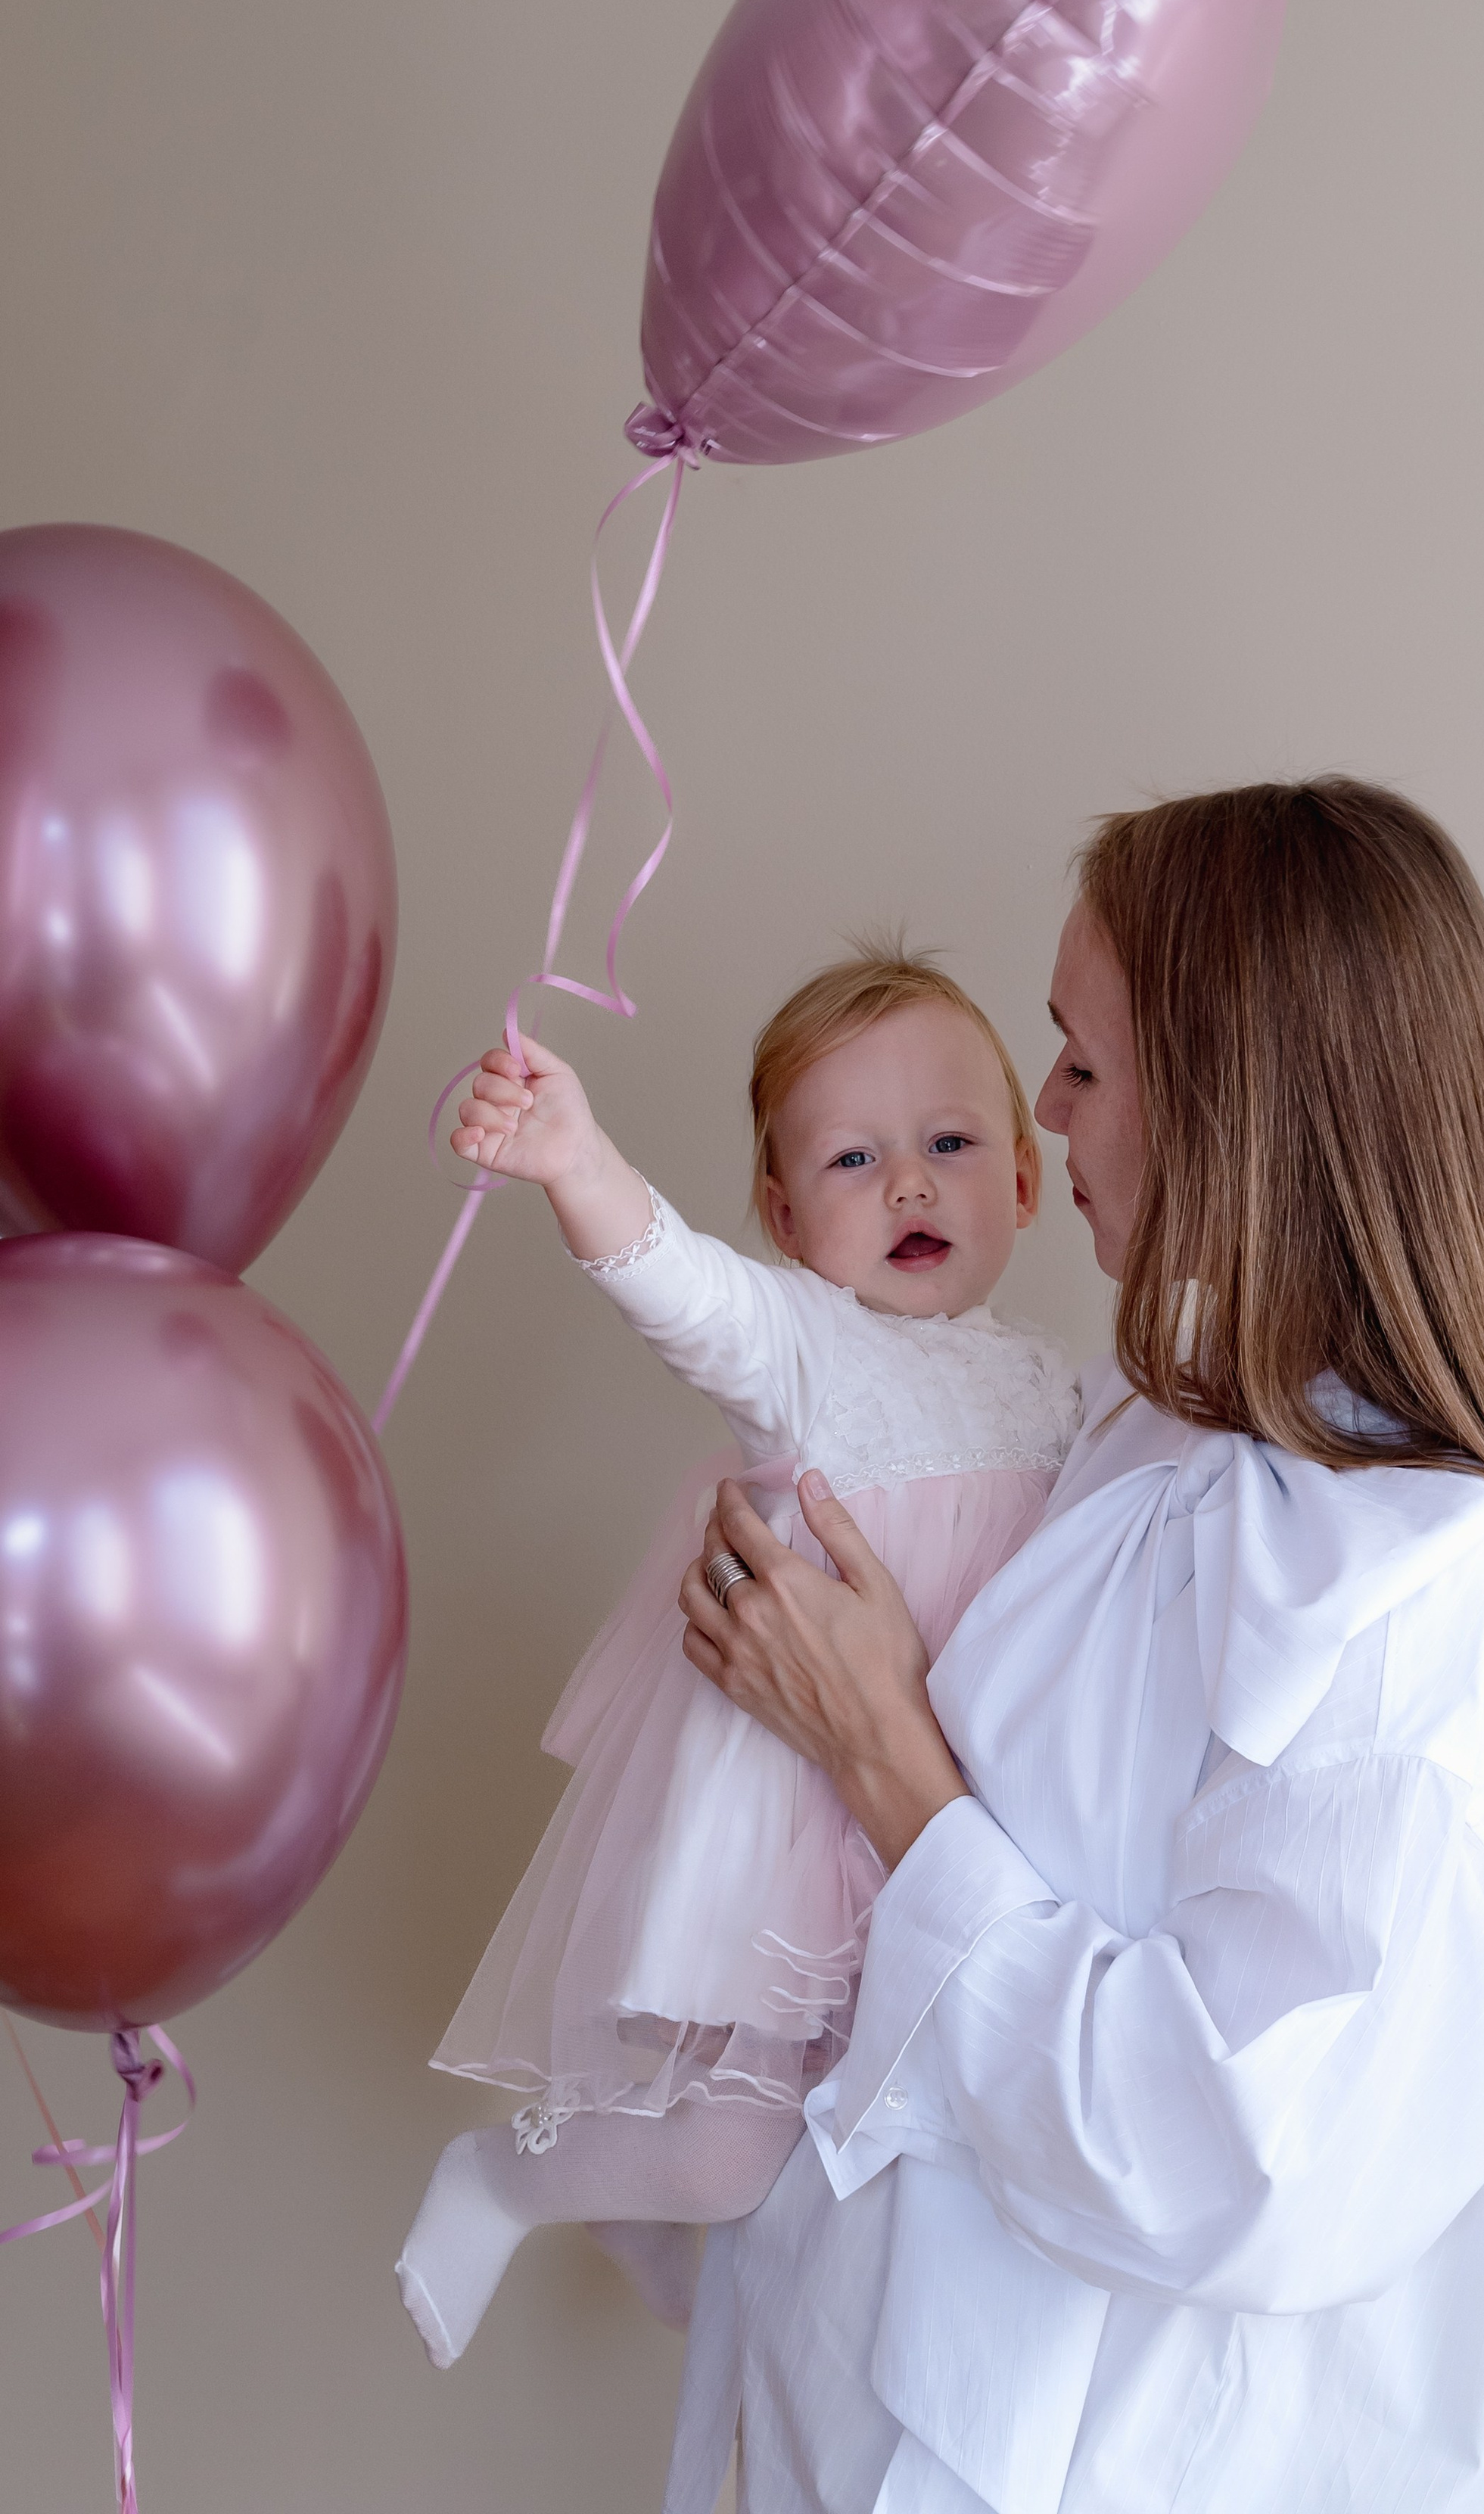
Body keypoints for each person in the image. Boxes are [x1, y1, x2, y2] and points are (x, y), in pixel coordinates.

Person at [662, 779, 1484, 2514]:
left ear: (1233, 1105)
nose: (1040, 1112)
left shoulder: (1443, 1596)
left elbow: (1231, 2160)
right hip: (848, 2428)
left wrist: (886, 1763)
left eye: (1082, 1062)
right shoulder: (1145, 1435)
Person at [395, 952, 1079, 2369]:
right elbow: (683, 1289)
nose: (908, 1184)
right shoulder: (807, 1350)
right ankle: (510, 2179)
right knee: (733, 2154)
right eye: (852, 1157)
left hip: (956, 1814)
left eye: (949, 1145)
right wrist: (576, 1161)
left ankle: (640, 2220)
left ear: (1022, 1177)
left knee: (901, 2138)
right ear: (783, 1215)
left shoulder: (1067, 1389)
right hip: (802, 1814)